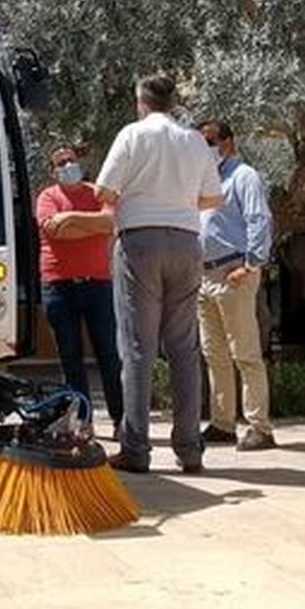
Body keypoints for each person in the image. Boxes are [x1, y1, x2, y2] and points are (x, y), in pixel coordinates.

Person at [94, 73, 223, 474]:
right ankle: (190, 449)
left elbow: (104, 193)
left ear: (141, 101)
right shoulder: (194, 141)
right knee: (184, 348)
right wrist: (179, 200)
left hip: (140, 243)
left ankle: (136, 448)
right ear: (174, 103)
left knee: (137, 347)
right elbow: (213, 196)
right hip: (187, 243)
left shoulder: (132, 135)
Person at [197, 120, 277, 451]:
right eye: (201, 142)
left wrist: (250, 264)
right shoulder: (203, 182)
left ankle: (260, 427)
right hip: (203, 277)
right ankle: (222, 423)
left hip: (233, 273)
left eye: (211, 141)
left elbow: (260, 219)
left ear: (229, 142)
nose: (207, 148)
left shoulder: (244, 177)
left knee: (244, 353)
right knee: (213, 354)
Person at [36, 144, 125, 430]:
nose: (67, 166)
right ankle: (83, 421)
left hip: (97, 284)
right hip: (59, 286)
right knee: (70, 357)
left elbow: (110, 222)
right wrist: (92, 225)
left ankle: (120, 418)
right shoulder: (47, 197)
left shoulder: (97, 192)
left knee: (109, 354)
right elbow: (53, 230)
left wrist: (71, 219)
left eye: (71, 160)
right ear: (53, 171)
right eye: (61, 162)